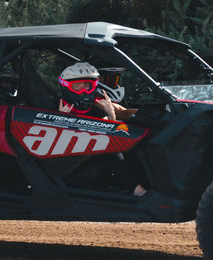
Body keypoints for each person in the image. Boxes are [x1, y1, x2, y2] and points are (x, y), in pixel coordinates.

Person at [57, 62, 146, 196]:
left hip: (97, 165)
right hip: (71, 168)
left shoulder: (100, 105)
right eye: (77, 86)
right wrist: (62, 119)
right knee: (109, 148)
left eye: (87, 86)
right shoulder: (57, 106)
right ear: (67, 87)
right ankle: (138, 191)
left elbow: (119, 133)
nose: (83, 91)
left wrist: (111, 114)